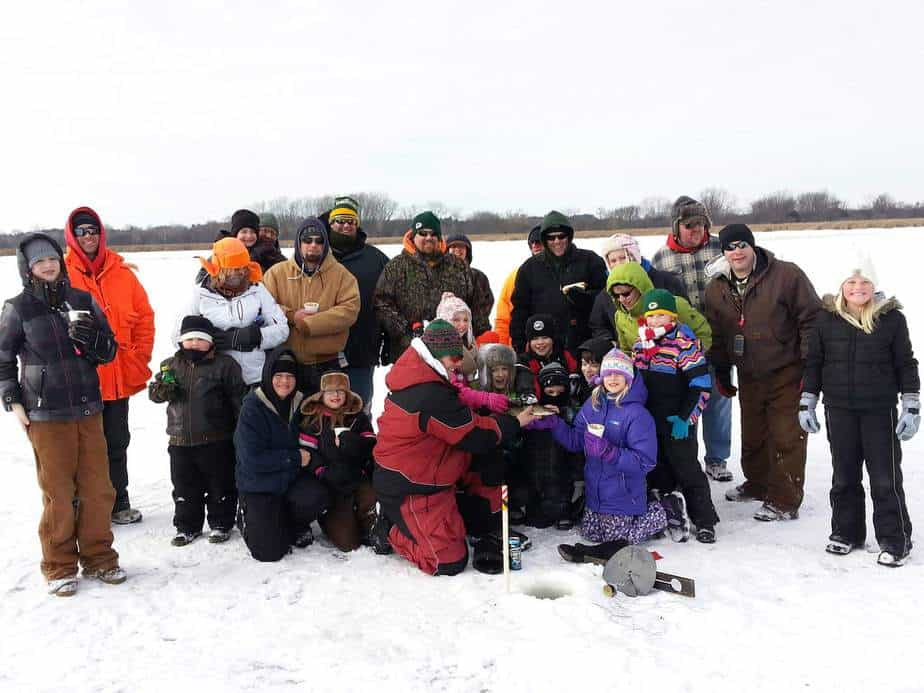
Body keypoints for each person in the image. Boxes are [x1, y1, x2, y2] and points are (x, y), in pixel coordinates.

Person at [0, 233, 126, 596]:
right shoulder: (18, 308)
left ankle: (100, 557)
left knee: (98, 489)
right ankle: (59, 565)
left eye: (52, 259)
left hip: (88, 407)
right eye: (39, 262)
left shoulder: (82, 299)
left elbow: (109, 351)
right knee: (58, 492)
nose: (48, 265)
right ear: (28, 269)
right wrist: (13, 398)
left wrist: (93, 340)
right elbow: (4, 358)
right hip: (45, 413)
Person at [372, 320, 536, 575]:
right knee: (448, 561)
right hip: (410, 485)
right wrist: (514, 422)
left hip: (432, 468)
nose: (459, 362)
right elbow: (471, 434)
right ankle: (391, 528)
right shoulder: (427, 392)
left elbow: (464, 421)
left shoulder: (425, 373)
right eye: (454, 356)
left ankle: (482, 523)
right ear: (436, 355)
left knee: (487, 463)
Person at [800, 263, 917, 566]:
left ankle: (895, 539)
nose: (857, 288)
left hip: (879, 410)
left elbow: (906, 363)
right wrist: (807, 400)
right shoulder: (826, 319)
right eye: (851, 281)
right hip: (838, 409)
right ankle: (846, 532)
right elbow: (814, 362)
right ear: (842, 285)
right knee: (844, 475)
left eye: (864, 281)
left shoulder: (891, 319)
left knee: (884, 478)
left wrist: (912, 405)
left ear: (873, 285)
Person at [705, 224, 822, 521]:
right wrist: (720, 368)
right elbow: (716, 333)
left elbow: (811, 319)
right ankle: (758, 484)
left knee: (786, 434)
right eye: (730, 247)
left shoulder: (786, 275)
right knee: (754, 433)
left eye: (743, 245)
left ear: (753, 247)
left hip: (787, 369)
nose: (737, 252)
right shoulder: (717, 286)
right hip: (749, 372)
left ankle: (784, 499)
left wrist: (810, 363)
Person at [63, 206, 156, 525]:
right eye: (81, 232)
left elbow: (145, 319)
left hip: (118, 376)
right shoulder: (61, 274)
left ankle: (119, 501)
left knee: (117, 441)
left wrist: (138, 357)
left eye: (93, 231)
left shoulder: (124, 274)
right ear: (72, 237)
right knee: (81, 447)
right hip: (80, 381)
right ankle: (82, 506)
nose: (88, 237)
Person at [537, 349, 666, 563]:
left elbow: (645, 462)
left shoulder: (637, 414)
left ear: (629, 378)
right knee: (591, 534)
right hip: (596, 496)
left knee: (618, 543)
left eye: (619, 374)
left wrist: (609, 452)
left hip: (623, 496)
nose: (613, 379)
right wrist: (555, 424)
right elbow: (575, 441)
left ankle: (663, 511)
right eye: (608, 374)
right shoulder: (593, 404)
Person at [651, 196, 734, 482]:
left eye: (701, 224)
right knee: (690, 399)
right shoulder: (662, 258)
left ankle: (717, 458)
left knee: (719, 400)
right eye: (689, 225)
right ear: (676, 228)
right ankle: (689, 458)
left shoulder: (719, 248)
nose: (696, 229)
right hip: (684, 345)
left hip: (720, 337)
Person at [149, 315, 247, 546]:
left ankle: (221, 523)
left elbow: (238, 399)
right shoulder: (170, 365)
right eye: (189, 339)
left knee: (219, 484)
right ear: (181, 341)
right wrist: (162, 390)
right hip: (180, 440)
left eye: (200, 339)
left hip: (216, 439)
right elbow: (154, 394)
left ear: (211, 342)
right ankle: (187, 526)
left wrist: (239, 432)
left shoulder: (224, 365)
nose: (194, 343)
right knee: (184, 486)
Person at [632, 289, 718, 543]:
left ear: (672, 316)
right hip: (649, 421)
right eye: (651, 316)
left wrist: (686, 419)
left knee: (687, 469)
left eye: (661, 315)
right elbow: (635, 382)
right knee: (659, 469)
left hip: (678, 420)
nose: (655, 321)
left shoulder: (684, 343)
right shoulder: (641, 344)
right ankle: (670, 515)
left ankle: (704, 519)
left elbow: (701, 385)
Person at [234, 348, 332, 561]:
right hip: (259, 484)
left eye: (290, 376)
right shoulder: (253, 407)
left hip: (289, 479)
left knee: (318, 495)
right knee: (269, 552)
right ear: (268, 376)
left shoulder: (301, 403)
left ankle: (291, 522)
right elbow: (251, 460)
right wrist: (295, 458)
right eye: (278, 376)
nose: (284, 382)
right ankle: (246, 517)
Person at [262, 217, 360, 395]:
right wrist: (292, 316)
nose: (313, 245)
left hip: (328, 362)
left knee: (326, 419)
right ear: (298, 243)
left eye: (319, 241)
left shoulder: (342, 275)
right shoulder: (276, 273)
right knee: (288, 420)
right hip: (287, 363)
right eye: (307, 240)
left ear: (325, 244)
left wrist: (311, 324)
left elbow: (349, 310)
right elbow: (265, 307)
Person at [374, 211, 487, 361]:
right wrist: (406, 332)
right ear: (413, 236)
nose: (428, 237)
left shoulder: (458, 265)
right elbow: (381, 304)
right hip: (410, 351)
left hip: (454, 352)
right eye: (423, 233)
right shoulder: (396, 266)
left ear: (439, 237)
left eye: (433, 234)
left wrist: (476, 336)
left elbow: (477, 304)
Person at [176, 237, 289, 386]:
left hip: (254, 377)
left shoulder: (257, 290)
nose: (239, 273)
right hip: (215, 381)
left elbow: (282, 329)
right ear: (218, 269)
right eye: (232, 269)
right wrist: (207, 341)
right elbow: (177, 335)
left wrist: (256, 336)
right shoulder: (201, 294)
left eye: (242, 268)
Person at [319, 196, 389, 411]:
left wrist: (387, 341)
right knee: (323, 410)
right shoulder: (317, 254)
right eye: (339, 220)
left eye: (351, 221)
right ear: (330, 224)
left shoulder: (376, 259)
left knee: (358, 408)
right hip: (322, 352)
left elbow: (388, 302)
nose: (345, 225)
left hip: (362, 350)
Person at [297, 371, 378, 552]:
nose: (335, 396)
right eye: (331, 392)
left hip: (357, 477)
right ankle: (331, 519)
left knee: (370, 499)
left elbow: (371, 445)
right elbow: (307, 454)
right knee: (348, 543)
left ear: (347, 395)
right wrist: (322, 471)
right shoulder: (313, 421)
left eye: (340, 392)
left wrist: (352, 442)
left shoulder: (358, 418)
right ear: (322, 395)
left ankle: (371, 525)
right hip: (330, 482)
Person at [510, 211, 607, 354]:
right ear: (544, 239)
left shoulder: (590, 261)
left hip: (585, 344)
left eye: (561, 236)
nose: (557, 241)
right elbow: (519, 310)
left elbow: (606, 298)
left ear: (569, 236)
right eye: (551, 237)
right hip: (544, 347)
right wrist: (520, 348)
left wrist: (586, 298)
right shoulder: (529, 268)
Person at [589, 233, 685, 343]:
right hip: (633, 353)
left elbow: (685, 316)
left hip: (675, 349)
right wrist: (610, 343)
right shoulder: (606, 294)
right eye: (613, 261)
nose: (619, 264)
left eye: (623, 258)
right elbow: (598, 325)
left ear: (634, 256)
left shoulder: (666, 281)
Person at [605, 261, 712, 355]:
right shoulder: (620, 316)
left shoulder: (673, 304)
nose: (621, 299)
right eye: (616, 295)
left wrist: (695, 361)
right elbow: (627, 351)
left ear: (639, 288)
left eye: (626, 294)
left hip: (687, 369)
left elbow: (702, 332)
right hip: (647, 373)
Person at [436, 292, 509, 415]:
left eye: (466, 320)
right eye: (456, 320)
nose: (463, 325)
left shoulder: (469, 345)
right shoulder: (441, 349)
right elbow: (453, 388)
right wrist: (486, 399)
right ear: (445, 321)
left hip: (467, 403)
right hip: (450, 410)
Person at [494, 226, 543, 346]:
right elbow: (503, 320)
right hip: (521, 348)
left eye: (540, 242)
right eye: (533, 242)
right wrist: (503, 350)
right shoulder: (516, 276)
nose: (536, 245)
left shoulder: (566, 274)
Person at [445, 233, 495, 339]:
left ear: (467, 251)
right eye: (453, 246)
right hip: (447, 333)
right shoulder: (440, 276)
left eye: (462, 247)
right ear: (446, 250)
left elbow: (486, 303)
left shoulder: (478, 276)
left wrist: (471, 326)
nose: (458, 250)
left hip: (476, 331)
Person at [231, 208, 286, 273]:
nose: (269, 235)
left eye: (273, 233)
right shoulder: (232, 254)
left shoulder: (278, 258)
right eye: (265, 231)